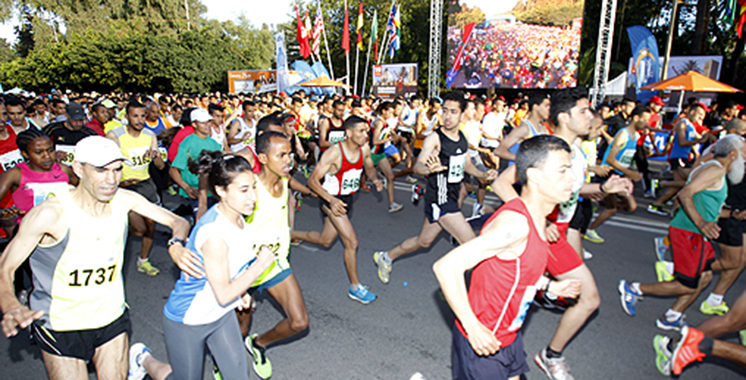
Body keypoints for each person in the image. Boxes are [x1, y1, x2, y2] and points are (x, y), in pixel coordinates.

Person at [0, 135, 193, 380]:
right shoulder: (50, 214)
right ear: (79, 169)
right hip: (61, 324)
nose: (111, 180)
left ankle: (137, 360)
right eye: (101, 170)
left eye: (117, 169)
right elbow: (5, 267)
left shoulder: (123, 200)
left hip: (111, 316)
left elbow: (176, 220)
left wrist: (175, 243)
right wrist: (10, 305)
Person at [491, 87, 627, 380]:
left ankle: (522, 337)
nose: (591, 116)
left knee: (558, 294)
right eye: (583, 111)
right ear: (564, 117)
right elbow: (501, 185)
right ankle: (547, 355)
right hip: (544, 233)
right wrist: (537, 219)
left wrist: (604, 189)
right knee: (588, 298)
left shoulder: (575, 154)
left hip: (562, 230)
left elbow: (572, 192)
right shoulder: (545, 149)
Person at [433, 135, 582, 380]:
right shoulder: (516, 225)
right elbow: (446, 267)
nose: (573, 179)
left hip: (509, 335)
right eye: (563, 171)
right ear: (534, 176)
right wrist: (474, 328)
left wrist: (550, 285)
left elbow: (516, 269)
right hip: (485, 341)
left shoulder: (538, 219)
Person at [128, 151, 275, 380]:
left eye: (253, 187)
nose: (253, 197)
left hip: (221, 313)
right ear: (221, 191)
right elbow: (225, 293)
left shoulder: (238, 217)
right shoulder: (214, 235)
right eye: (244, 190)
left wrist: (243, 291)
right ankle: (143, 359)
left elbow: (231, 271)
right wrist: (260, 265)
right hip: (190, 319)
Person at [620, 134, 745, 330]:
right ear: (733, 154)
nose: (745, 159)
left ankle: (672, 316)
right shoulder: (714, 170)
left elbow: (710, 205)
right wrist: (702, 223)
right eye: (745, 153)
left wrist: (734, 214)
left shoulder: (715, 169)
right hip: (689, 231)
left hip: (695, 233)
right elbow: (685, 194)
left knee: (705, 277)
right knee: (687, 284)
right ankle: (634, 288)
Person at [373, 92, 497, 285]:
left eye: (453, 112)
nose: (447, 116)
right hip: (440, 199)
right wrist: (428, 169)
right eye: (445, 111)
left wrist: (483, 174)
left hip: (452, 196)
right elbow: (417, 165)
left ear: (462, 114)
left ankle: (386, 257)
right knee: (472, 244)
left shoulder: (462, 138)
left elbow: (467, 165)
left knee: (424, 241)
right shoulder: (435, 138)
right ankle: (455, 288)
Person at [237, 131, 309, 380]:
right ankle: (222, 360)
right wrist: (239, 282)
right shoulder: (249, 190)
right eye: (281, 155)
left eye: (289, 154)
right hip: (245, 268)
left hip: (275, 264)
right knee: (241, 328)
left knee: (299, 322)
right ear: (263, 158)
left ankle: (259, 345)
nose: (288, 160)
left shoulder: (285, 180)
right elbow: (228, 231)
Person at [291, 116, 384, 304]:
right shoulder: (334, 153)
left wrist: (374, 179)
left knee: (325, 240)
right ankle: (355, 287)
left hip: (346, 199)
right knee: (351, 242)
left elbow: (370, 167)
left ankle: (289, 234)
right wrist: (330, 200)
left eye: (367, 131)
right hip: (330, 200)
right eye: (361, 131)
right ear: (348, 133)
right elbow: (313, 181)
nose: (366, 135)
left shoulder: (364, 148)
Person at [107, 101, 166, 276]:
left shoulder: (149, 135)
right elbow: (108, 164)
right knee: (138, 229)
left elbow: (161, 166)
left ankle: (143, 260)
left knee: (151, 224)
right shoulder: (115, 135)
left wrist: (155, 156)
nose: (140, 120)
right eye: (135, 116)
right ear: (127, 117)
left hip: (146, 183)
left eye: (142, 116)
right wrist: (118, 184)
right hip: (124, 186)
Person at [583, 106, 649, 244]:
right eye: (645, 120)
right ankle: (589, 229)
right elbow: (610, 159)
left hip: (620, 175)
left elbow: (625, 158)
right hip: (608, 174)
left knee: (631, 206)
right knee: (612, 208)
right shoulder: (623, 134)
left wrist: (628, 174)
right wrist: (629, 173)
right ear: (636, 118)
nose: (647, 123)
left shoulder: (635, 136)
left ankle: (597, 200)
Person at [648, 103, 717, 215]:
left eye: (703, 116)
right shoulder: (682, 124)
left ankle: (656, 205)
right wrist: (699, 142)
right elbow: (682, 141)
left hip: (683, 157)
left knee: (678, 185)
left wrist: (710, 137)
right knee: (693, 180)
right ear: (692, 112)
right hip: (678, 157)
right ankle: (662, 184)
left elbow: (699, 138)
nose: (701, 118)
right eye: (700, 115)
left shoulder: (691, 125)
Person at [169, 109, 222, 214]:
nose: (207, 125)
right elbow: (173, 169)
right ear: (194, 124)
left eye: (208, 121)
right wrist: (186, 187)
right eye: (202, 122)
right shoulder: (187, 143)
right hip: (195, 193)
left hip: (212, 192)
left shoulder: (215, 144)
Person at [494, 92, 551, 162]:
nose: (549, 109)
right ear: (536, 107)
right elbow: (499, 151)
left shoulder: (544, 129)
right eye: (546, 106)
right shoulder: (524, 129)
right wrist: (522, 159)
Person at [370, 102, 404, 213]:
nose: (391, 114)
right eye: (389, 111)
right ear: (383, 111)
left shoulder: (385, 123)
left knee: (390, 177)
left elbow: (390, 132)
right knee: (360, 177)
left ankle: (392, 204)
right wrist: (389, 140)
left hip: (380, 154)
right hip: (370, 153)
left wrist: (396, 137)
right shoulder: (379, 123)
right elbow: (375, 141)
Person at [43, 102, 98, 167]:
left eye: (81, 120)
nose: (78, 123)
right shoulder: (52, 129)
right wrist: (52, 154)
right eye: (75, 120)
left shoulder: (89, 133)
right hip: (56, 167)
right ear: (66, 116)